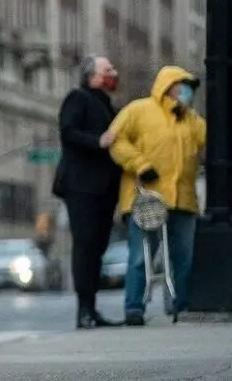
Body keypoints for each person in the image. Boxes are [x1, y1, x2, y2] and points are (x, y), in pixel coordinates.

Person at [106, 65, 206, 326]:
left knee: (183, 258)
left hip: (182, 200)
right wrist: (141, 165)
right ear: (167, 86)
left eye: (190, 87)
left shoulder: (192, 120)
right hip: (145, 200)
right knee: (140, 257)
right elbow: (116, 140)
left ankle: (180, 306)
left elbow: (209, 144)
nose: (186, 92)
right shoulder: (138, 111)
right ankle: (134, 308)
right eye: (181, 85)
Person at [53, 55, 124, 329]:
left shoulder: (108, 105)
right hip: (82, 187)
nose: (113, 74)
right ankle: (84, 310)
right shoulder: (77, 98)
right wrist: (98, 141)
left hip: (105, 189)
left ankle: (92, 309)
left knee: (97, 248)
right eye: (108, 70)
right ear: (92, 76)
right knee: (85, 246)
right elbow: (68, 133)